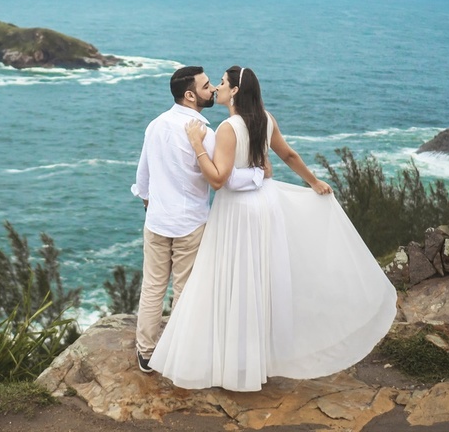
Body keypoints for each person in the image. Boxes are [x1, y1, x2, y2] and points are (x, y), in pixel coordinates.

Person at [148, 65, 397, 391]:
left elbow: (219, 180)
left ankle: (234, 362)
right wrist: (313, 181)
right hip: (266, 206)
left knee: (236, 283)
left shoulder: (227, 128)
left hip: (239, 213)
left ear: (235, 91)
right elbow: (288, 154)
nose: (217, 88)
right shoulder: (266, 119)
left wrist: (196, 143)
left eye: (222, 83)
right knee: (260, 282)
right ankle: (258, 359)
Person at [131, 66, 265, 373]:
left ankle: (146, 352)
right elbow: (223, 179)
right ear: (190, 95)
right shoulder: (206, 133)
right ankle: (176, 353)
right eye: (207, 87)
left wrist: (151, 205)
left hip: (156, 221)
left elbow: (143, 176)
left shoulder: (155, 125)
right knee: (184, 289)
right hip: (190, 223)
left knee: (152, 287)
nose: (213, 90)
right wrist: (260, 173)